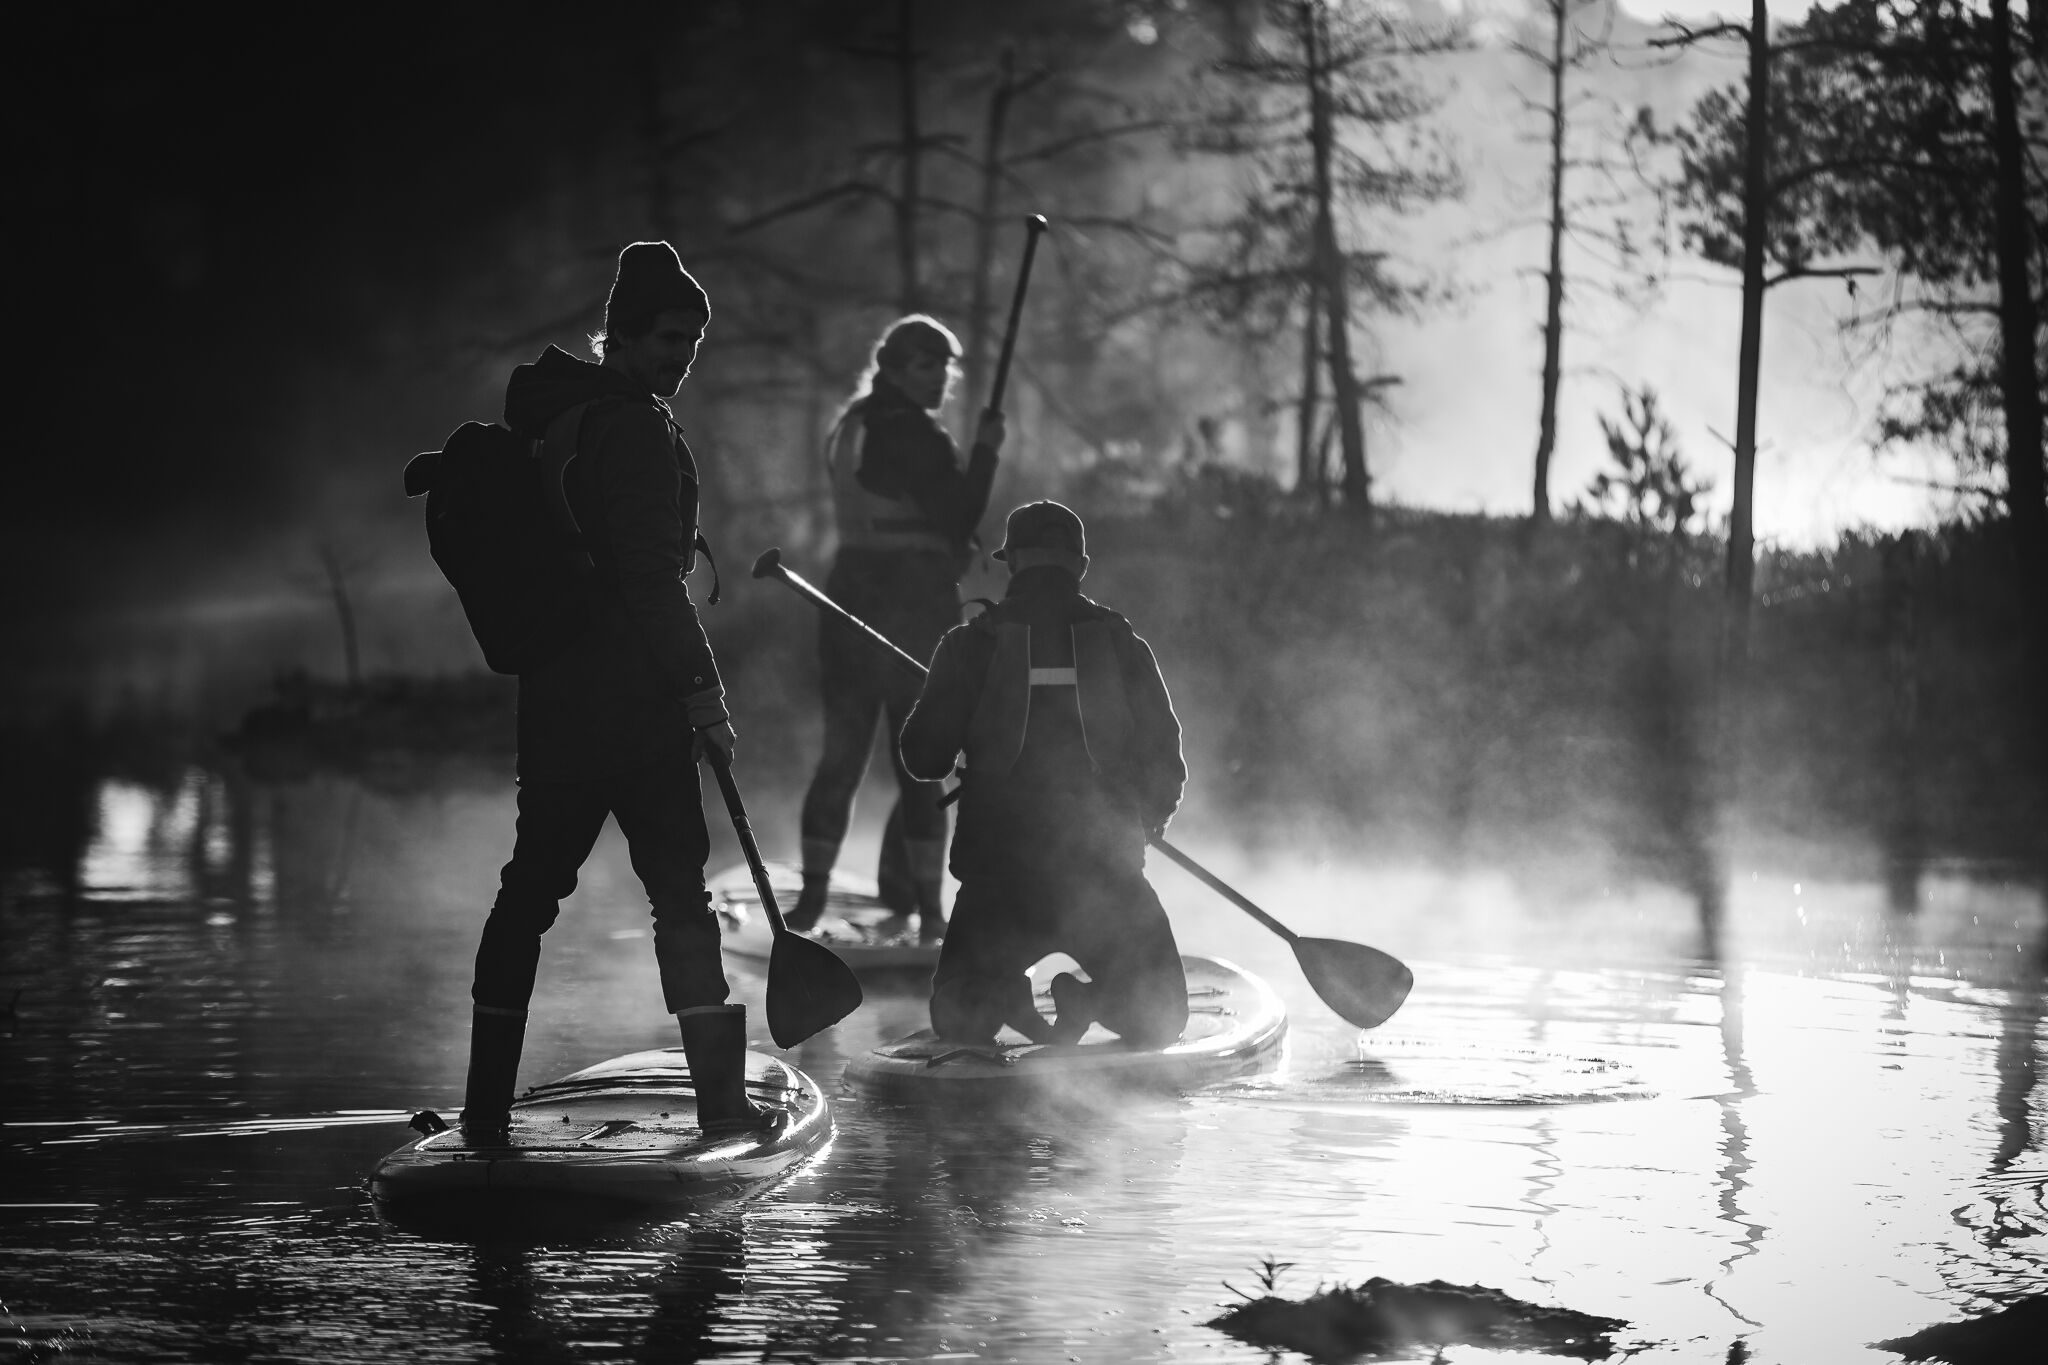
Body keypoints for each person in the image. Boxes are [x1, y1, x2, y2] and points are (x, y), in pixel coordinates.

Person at [458, 240, 764, 1142]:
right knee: (680, 895)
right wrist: (704, 695)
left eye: (693, 344)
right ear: (622, 334)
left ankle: (483, 1110)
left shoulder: (565, 416)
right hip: (632, 705)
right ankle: (718, 1108)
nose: (682, 357)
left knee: (529, 891)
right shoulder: (629, 424)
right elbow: (648, 581)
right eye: (669, 338)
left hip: (556, 700)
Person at [897, 500, 1190, 1048]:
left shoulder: (969, 644)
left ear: (1012, 565)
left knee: (958, 1020)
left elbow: (923, 759)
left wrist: (955, 705)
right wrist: (1146, 823)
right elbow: (1165, 758)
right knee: (1163, 1018)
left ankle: (1000, 995)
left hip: (997, 886)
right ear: (1079, 565)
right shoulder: (1124, 644)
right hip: (1106, 878)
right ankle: (1093, 999)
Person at [789, 315, 1004, 940]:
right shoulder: (911, 432)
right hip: (907, 606)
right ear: (894, 370)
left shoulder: (851, 423)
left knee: (842, 756)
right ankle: (934, 913)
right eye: (925, 367)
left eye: (946, 368)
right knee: (922, 759)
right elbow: (959, 510)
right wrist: (987, 448)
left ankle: (812, 900)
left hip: (849, 597)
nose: (940, 379)